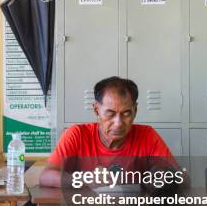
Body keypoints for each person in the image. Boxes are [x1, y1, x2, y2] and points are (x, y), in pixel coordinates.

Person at [40, 76, 177, 188]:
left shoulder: (147, 135)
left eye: (126, 113)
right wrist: (83, 180)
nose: (118, 123)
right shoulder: (77, 134)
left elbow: (180, 177)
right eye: (110, 114)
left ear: (135, 111)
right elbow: (46, 176)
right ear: (96, 110)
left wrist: (162, 176)